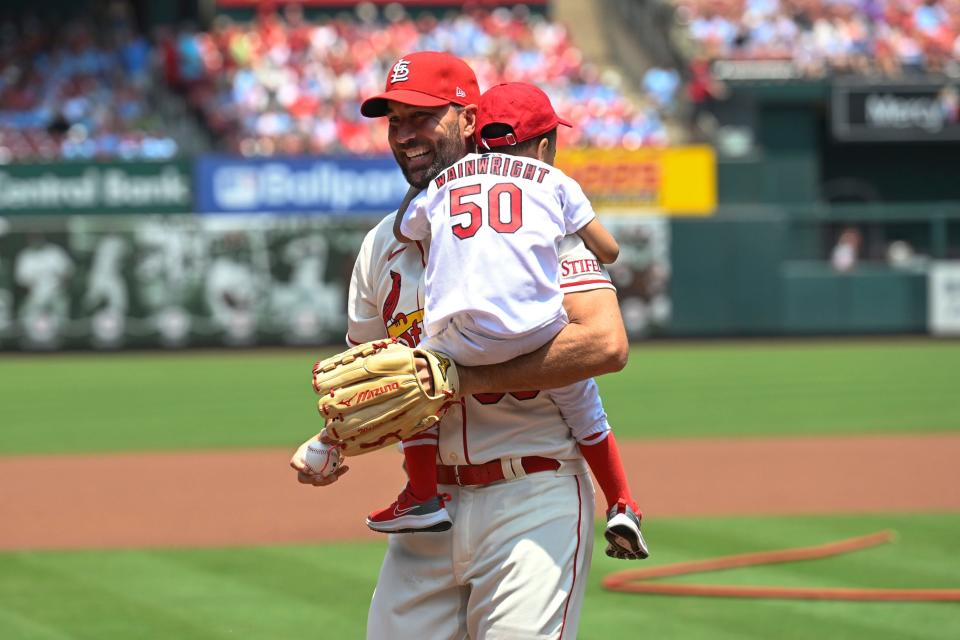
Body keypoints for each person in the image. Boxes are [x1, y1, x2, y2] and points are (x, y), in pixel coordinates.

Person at [291, 51, 637, 639]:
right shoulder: (381, 247)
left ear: (470, 119)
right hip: (433, 511)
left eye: (422, 117)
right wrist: (334, 437)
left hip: (533, 493)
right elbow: (372, 377)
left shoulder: (534, 215)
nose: (405, 136)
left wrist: (464, 379)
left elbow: (605, 344)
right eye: (394, 121)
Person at [363, 82, 645, 561]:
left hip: (464, 332)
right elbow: (610, 248)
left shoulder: (448, 182)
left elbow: (405, 229)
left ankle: (422, 496)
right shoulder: (552, 182)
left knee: (419, 381)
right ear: (541, 146)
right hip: (538, 332)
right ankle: (623, 502)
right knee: (584, 407)